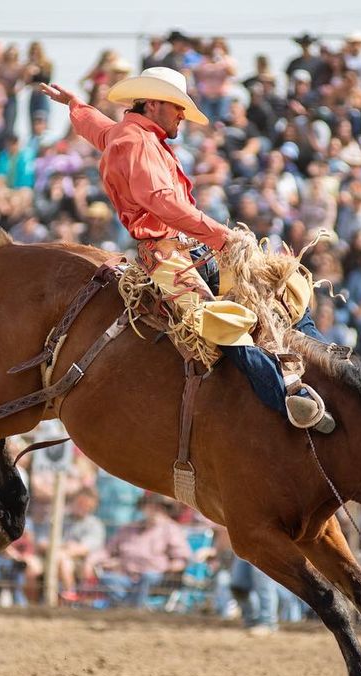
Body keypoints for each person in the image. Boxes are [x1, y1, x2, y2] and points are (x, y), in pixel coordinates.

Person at [38, 69, 335, 433]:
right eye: (178, 106)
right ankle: (288, 399)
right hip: (168, 255)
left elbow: (98, 130)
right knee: (223, 325)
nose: (182, 115)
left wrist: (75, 105)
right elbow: (162, 203)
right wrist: (222, 236)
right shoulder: (135, 141)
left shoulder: (128, 135)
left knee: (277, 287)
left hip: (191, 249)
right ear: (152, 103)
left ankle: (332, 369)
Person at [87, 495, 189, 608]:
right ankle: (127, 608)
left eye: (159, 507)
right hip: (126, 575)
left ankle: (131, 610)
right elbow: (107, 550)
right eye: (150, 506)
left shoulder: (171, 530)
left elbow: (181, 558)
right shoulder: (129, 528)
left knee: (147, 578)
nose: (154, 510)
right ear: (143, 508)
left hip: (156, 577)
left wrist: (168, 569)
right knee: (108, 579)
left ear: (165, 510)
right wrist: (91, 560)